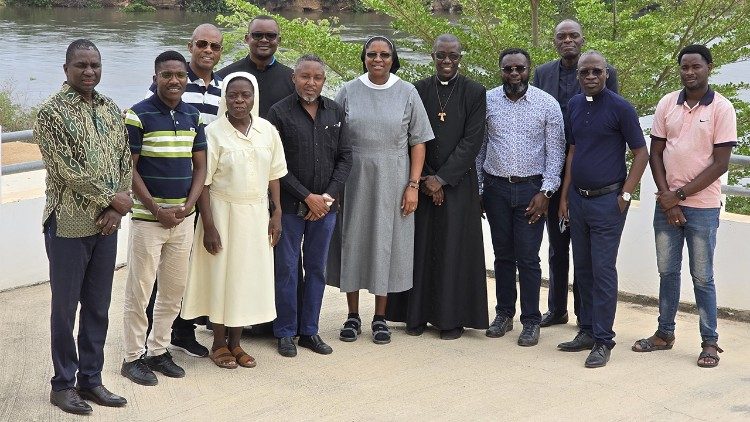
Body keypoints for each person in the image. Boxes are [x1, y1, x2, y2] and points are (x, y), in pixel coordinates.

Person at [36, 39, 131, 415]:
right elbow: (64, 170)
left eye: (95, 64)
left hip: (106, 224)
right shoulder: (50, 113)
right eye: (81, 65)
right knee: (65, 308)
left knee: (98, 306)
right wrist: (112, 198)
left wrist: (117, 208)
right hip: (68, 223)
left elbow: (125, 157)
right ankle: (62, 385)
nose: (89, 72)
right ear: (66, 69)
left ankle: (91, 380)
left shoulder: (110, 108)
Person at [631, 44, 736, 368]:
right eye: (685, 67)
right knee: (667, 272)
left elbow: (720, 164)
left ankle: (709, 341)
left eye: (696, 67)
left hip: (702, 208)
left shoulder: (722, 108)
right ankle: (664, 334)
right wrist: (667, 198)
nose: (690, 72)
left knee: (702, 277)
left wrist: (677, 197)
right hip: (667, 208)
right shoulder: (667, 104)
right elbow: (656, 153)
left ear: (709, 67)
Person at [327, 36, 433, 345]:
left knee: (385, 243)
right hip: (354, 176)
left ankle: (380, 317)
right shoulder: (347, 91)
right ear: (363, 57)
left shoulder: (407, 92)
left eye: (384, 54)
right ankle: (352, 315)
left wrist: (413, 185)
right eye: (371, 54)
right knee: (353, 240)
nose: (378, 59)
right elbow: (334, 139)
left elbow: (419, 142)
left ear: (393, 58)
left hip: (394, 177)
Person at [181, 72, 287, 369]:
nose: (239, 101)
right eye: (233, 95)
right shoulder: (213, 132)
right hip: (222, 212)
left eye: (245, 95)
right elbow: (202, 182)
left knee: (244, 278)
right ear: (225, 98)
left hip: (255, 214)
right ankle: (217, 343)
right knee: (220, 276)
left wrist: (276, 212)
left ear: (254, 98)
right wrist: (209, 225)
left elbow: (274, 174)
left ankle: (236, 343)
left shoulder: (267, 131)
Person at [385, 34, 488, 340]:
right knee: (420, 248)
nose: (447, 61)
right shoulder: (418, 90)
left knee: (453, 250)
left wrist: (441, 179)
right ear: (432, 56)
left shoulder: (474, 91)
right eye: (441, 56)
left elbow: (472, 140)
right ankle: (414, 316)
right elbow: (412, 135)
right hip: (421, 180)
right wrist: (427, 179)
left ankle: (450, 320)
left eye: (453, 56)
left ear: (460, 58)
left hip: (458, 184)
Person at [557, 50, 649, 368]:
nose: (591, 77)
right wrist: (565, 196)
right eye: (585, 72)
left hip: (608, 202)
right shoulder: (573, 105)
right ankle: (586, 331)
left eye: (597, 71)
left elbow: (641, 152)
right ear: (577, 75)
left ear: (606, 73)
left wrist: (625, 194)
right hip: (579, 201)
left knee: (603, 271)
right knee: (582, 269)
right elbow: (573, 150)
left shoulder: (621, 108)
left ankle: (603, 340)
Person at [121, 51, 207, 385]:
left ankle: (158, 350)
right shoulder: (138, 115)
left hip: (184, 219)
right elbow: (129, 167)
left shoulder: (193, 115)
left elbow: (200, 166)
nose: (174, 81)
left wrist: (188, 206)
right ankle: (132, 357)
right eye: (167, 75)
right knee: (140, 291)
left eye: (180, 75)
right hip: (148, 220)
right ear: (156, 76)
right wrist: (157, 210)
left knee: (173, 291)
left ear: (187, 78)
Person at [144, 23, 224, 360]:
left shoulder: (222, 89)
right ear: (190, 46)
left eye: (215, 46)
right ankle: (151, 333)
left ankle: (182, 329)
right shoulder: (173, 78)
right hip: (166, 189)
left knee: (186, 267)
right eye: (202, 44)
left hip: (201, 191)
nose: (208, 50)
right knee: (157, 269)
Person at [532, 19, 619, 328]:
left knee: (587, 253)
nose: (567, 40)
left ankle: (585, 315)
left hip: (586, 172)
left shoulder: (601, 72)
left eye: (573, 36)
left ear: (582, 40)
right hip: (552, 171)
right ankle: (557, 309)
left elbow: (612, 119)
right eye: (561, 36)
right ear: (554, 41)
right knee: (558, 246)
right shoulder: (542, 73)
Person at [477, 48, 565, 347]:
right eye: (508, 69)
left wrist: (546, 192)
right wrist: (479, 190)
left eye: (520, 69)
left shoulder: (547, 104)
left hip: (531, 191)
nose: (514, 74)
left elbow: (556, 153)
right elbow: (480, 149)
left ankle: (530, 320)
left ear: (529, 69)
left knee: (528, 258)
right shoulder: (486, 101)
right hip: (496, 189)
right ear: (500, 70)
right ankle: (504, 314)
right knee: (502, 256)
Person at [267, 55, 351, 357]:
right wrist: (307, 197)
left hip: (326, 209)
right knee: (287, 269)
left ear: (324, 81)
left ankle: (309, 331)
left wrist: (326, 198)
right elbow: (276, 165)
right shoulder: (278, 113)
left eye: (317, 77)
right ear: (294, 78)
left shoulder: (336, 112)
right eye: (305, 76)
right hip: (290, 207)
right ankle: (286, 332)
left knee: (316, 269)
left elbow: (345, 158)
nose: (310, 82)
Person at [217, 15, 294, 118]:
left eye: (270, 35)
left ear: (278, 40)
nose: (264, 40)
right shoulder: (224, 77)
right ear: (247, 39)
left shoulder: (292, 80)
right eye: (257, 35)